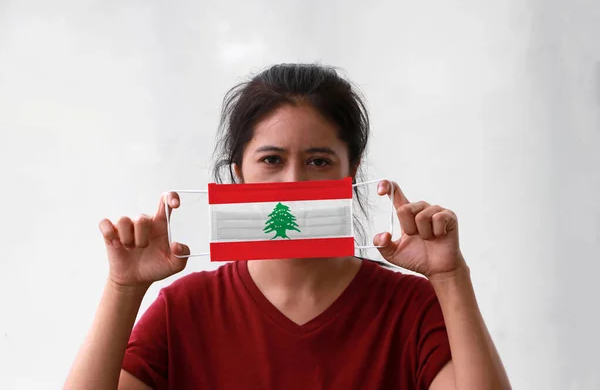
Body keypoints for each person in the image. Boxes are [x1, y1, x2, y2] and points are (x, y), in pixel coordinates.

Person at [64, 64, 511, 390]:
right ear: (237, 172)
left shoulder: (410, 310)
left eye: (319, 161)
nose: (294, 182)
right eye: (272, 160)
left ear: (350, 171)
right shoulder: (183, 311)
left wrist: (451, 279)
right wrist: (123, 289)